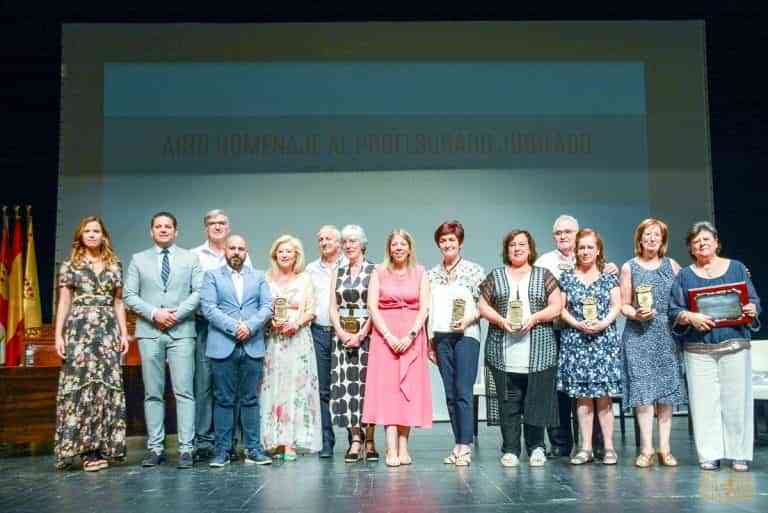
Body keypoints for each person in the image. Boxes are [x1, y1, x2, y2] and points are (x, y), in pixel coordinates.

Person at [668, 221, 760, 472]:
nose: (702, 244)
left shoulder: (737, 268)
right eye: (696, 242)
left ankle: (739, 454)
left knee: (737, 401)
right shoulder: (684, 275)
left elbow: (752, 301)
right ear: (690, 248)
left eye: (706, 239)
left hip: (734, 345)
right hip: (699, 349)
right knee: (703, 403)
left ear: (717, 242)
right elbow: (674, 310)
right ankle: (710, 454)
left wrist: (752, 309)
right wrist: (690, 317)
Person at [123, 211, 203, 469]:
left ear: (176, 231)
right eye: (159, 226)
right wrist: (155, 313)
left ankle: (186, 449)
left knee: (185, 392)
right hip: (150, 332)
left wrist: (176, 315)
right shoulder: (138, 259)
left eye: (168, 226)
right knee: (153, 393)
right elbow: (129, 295)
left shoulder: (191, 258)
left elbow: (199, 292)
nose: (164, 230)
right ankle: (155, 448)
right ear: (151, 232)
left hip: (182, 332)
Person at [535, 214, 617, 458]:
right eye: (558, 233)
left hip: (598, 336)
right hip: (558, 333)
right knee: (562, 392)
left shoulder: (604, 268)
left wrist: (599, 323)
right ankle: (563, 444)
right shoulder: (544, 262)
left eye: (568, 232)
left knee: (599, 392)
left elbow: (615, 302)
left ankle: (599, 444)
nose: (563, 236)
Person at [479, 230, 561, 468]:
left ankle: (537, 447)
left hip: (539, 353)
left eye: (522, 244)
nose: (517, 248)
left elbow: (557, 306)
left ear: (530, 248)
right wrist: (501, 321)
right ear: (507, 249)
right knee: (509, 402)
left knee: (535, 401)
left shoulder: (543, 275)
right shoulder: (496, 275)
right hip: (503, 352)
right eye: (512, 245)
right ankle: (511, 449)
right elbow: (482, 305)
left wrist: (534, 318)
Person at [53, 216, 129, 471]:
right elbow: (64, 302)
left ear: (104, 235)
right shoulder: (70, 264)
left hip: (107, 331)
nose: (92, 234)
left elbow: (118, 302)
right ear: (81, 235)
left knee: (105, 387)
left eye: (96, 231)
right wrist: (58, 335)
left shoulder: (114, 264)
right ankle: (84, 450)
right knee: (81, 387)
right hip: (79, 331)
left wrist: (123, 334)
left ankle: (103, 447)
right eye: (87, 231)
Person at [200, 234, 273, 467]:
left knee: (251, 399)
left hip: (252, 345)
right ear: (225, 251)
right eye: (232, 248)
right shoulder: (212, 276)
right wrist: (235, 327)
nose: (236, 252)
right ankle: (222, 451)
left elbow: (267, 306)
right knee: (223, 400)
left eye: (241, 248)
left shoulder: (259, 276)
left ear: (246, 252)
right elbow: (209, 308)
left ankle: (253, 449)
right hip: (223, 345)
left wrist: (249, 327)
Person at [362, 229, 432, 467]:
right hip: (385, 338)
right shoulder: (378, 272)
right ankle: (390, 447)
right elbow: (372, 307)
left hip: (412, 337)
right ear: (389, 248)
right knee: (389, 393)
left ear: (409, 248)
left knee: (407, 392)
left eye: (403, 244)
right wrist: (389, 335)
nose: (398, 248)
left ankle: (404, 446)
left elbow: (425, 307)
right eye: (394, 245)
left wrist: (412, 334)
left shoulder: (420, 272)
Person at [619, 219, 686, 467]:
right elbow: (623, 304)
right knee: (643, 393)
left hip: (666, 334)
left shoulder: (673, 266)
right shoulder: (629, 267)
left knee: (666, 393)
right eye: (647, 234)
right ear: (640, 239)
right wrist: (634, 313)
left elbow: (685, 297)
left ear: (662, 240)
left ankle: (665, 448)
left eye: (656, 235)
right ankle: (646, 449)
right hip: (638, 335)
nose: (651, 238)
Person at [191, 209, 253, 460]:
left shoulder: (241, 255)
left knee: (233, 387)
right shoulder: (195, 256)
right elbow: (202, 298)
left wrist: (240, 326)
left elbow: (247, 295)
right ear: (206, 228)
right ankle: (204, 441)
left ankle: (229, 442)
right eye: (212, 223)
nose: (217, 227)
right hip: (207, 327)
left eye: (222, 223)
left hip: (238, 331)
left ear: (228, 227)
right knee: (204, 385)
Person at [558, 228, 622, 465]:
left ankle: (609, 447)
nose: (585, 251)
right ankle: (584, 448)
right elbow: (561, 308)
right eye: (581, 247)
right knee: (582, 398)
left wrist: (603, 323)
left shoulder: (608, 277)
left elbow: (617, 305)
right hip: (577, 342)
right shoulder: (567, 277)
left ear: (597, 251)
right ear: (576, 251)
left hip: (603, 341)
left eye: (589, 247)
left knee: (604, 397)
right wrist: (578, 324)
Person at [427, 220, 485, 466]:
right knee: (450, 393)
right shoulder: (431, 275)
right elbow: (428, 311)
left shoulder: (474, 270)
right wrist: (430, 342)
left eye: (452, 239)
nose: (447, 243)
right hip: (441, 338)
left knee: (463, 390)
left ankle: (466, 446)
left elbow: (484, 306)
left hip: (466, 335)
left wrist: (467, 320)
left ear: (459, 242)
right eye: (443, 240)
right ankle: (457, 443)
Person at [261, 235, 322, 459]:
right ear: (275, 255)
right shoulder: (265, 279)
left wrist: (295, 324)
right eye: (281, 251)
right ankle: (275, 440)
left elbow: (311, 309)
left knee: (297, 388)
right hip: (275, 341)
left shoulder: (304, 279)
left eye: (289, 251)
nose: (285, 255)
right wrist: (272, 321)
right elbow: (261, 307)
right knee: (275, 386)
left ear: (296, 255)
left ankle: (291, 443)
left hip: (298, 339)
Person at [329, 225, 378, 462]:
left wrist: (361, 333)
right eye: (345, 242)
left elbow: (374, 307)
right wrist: (340, 332)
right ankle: (355, 440)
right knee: (347, 388)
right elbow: (332, 306)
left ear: (363, 244)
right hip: (342, 337)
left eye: (353, 241)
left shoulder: (374, 270)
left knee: (367, 387)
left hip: (368, 336)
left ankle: (370, 439)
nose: (348, 246)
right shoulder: (337, 271)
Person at [306, 225, 347, 458]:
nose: (324, 242)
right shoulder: (310, 269)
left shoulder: (351, 265)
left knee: (349, 388)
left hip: (346, 334)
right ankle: (326, 442)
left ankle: (355, 440)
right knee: (322, 390)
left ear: (339, 242)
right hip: (319, 331)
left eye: (329, 238)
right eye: (320, 239)